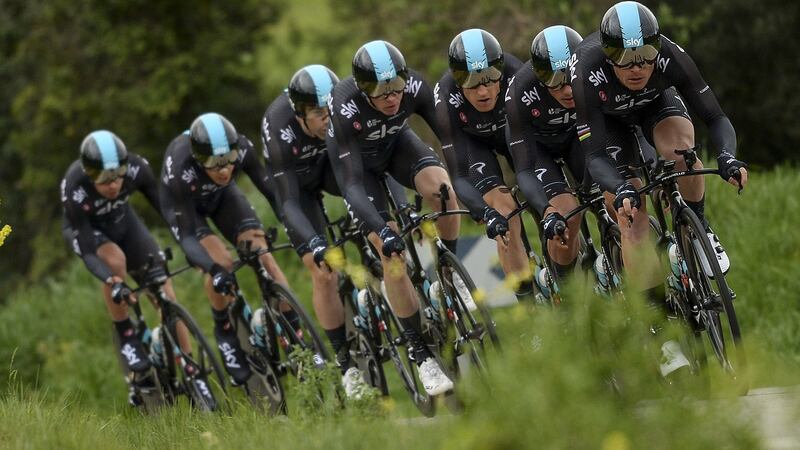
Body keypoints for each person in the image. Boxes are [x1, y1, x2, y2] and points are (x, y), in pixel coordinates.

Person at [570, 1, 748, 376]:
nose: (636, 67)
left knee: (683, 152)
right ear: (608, 55)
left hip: (656, 104)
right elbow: (595, 156)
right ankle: (659, 330)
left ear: (656, 47)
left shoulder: (670, 55)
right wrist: (620, 188)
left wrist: (728, 157)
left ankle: (698, 227)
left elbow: (715, 117)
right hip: (610, 124)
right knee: (631, 216)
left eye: (645, 56)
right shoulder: (586, 69)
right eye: (624, 58)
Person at [326, 40, 457, 396]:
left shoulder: (414, 87)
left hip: (397, 145)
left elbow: (450, 141)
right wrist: (382, 231)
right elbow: (351, 184)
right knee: (392, 253)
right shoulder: (344, 105)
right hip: (359, 171)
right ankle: (420, 353)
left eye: (396, 86)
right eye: (380, 91)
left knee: (444, 191)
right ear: (363, 89)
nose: (391, 97)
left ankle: (448, 272)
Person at [61, 130, 211, 405]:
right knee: (115, 261)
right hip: (89, 233)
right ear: (89, 175)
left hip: (125, 223)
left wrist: (191, 247)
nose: (113, 184)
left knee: (165, 292)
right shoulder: (75, 186)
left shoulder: (136, 168)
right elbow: (90, 255)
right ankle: (126, 334)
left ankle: (190, 368)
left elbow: (167, 211)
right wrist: (113, 282)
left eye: (118, 175)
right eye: (104, 179)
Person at [261, 64, 370, 398]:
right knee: (323, 270)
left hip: (332, 167)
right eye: (319, 114)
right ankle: (345, 363)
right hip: (297, 188)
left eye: (330, 111)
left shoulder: (343, 108)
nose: (327, 119)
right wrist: (314, 244)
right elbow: (288, 203)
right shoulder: (278, 125)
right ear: (300, 115)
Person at [159, 112, 291, 385]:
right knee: (221, 262)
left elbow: (270, 191)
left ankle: (295, 329)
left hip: (222, 196)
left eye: (229, 160)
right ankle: (224, 329)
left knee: (263, 254)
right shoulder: (181, 165)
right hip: (187, 210)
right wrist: (213, 269)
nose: (223, 170)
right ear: (198, 158)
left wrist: (293, 223)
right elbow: (187, 238)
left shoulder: (241, 148)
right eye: (213, 163)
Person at [435, 28, 533, 301]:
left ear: (500, 72)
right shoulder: (446, 96)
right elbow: (459, 176)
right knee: (505, 214)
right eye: (471, 82)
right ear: (458, 81)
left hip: (514, 132)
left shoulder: (516, 73)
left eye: (490, 79)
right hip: (474, 145)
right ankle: (528, 304)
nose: (482, 90)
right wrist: (487, 213)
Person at [505, 25, 585, 298]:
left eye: (570, 78)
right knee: (568, 213)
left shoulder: (593, 72)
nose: (567, 89)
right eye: (556, 82)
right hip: (538, 148)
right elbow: (524, 171)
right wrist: (547, 211)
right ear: (541, 78)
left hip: (577, 137)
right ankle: (567, 293)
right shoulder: (520, 89)